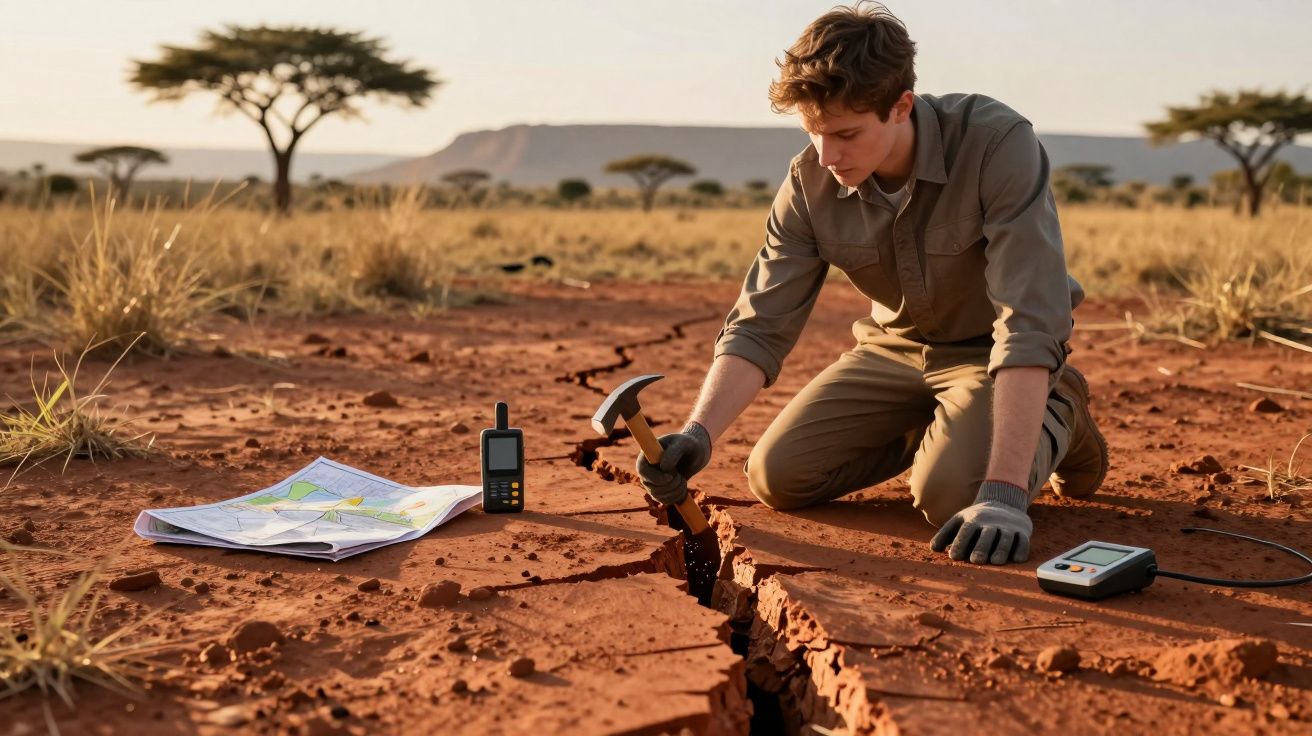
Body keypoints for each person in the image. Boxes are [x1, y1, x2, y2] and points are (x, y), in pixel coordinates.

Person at [636, 1, 1108, 566]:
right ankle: (953, 429)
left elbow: (1029, 318)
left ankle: (1060, 408)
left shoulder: (995, 144)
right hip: (893, 350)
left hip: (990, 352)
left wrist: (1004, 493)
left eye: (846, 134)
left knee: (952, 497)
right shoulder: (808, 182)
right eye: (813, 133)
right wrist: (698, 433)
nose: (827, 156)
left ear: (900, 106)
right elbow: (760, 323)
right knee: (776, 477)